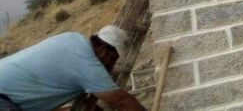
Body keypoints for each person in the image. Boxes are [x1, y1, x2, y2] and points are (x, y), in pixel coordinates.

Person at [0, 25, 147, 111]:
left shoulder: (72, 41)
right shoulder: (86, 62)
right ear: (102, 49)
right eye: (112, 59)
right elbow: (121, 100)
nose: (111, 66)